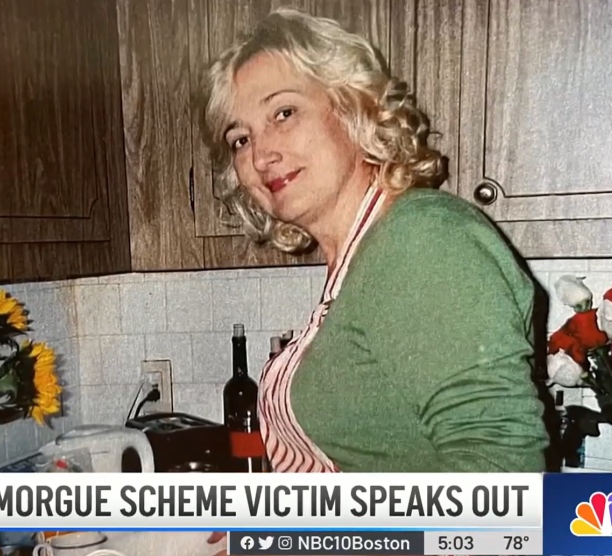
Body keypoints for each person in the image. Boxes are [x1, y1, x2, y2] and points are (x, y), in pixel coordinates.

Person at [202, 8, 549, 554]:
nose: (261, 153)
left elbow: (500, 484)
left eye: (284, 113)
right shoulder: (364, 257)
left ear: (353, 108)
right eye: (240, 139)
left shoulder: (422, 240)